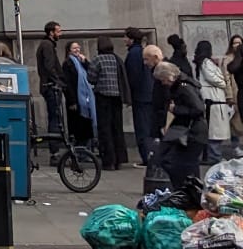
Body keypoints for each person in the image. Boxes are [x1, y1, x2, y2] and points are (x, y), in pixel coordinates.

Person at [153, 59, 207, 189]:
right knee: (180, 163)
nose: (163, 83)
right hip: (188, 131)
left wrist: (176, 109)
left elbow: (199, 109)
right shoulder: (180, 86)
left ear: (169, 77)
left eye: (163, 80)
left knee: (180, 164)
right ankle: (186, 190)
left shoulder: (184, 88)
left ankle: (187, 190)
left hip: (192, 132)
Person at [87, 36, 128, 169]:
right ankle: (119, 159)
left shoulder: (98, 59)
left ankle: (109, 160)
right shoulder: (117, 59)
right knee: (117, 128)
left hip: (103, 96)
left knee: (105, 128)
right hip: (117, 97)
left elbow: (91, 78)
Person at [122, 29, 159, 167]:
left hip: (140, 96)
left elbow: (133, 76)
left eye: (126, 37)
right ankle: (151, 156)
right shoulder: (143, 51)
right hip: (149, 94)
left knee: (142, 128)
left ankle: (147, 157)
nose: (124, 40)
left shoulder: (133, 54)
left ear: (131, 39)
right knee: (149, 126)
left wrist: (129, 95)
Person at [194, 39, 231, 164]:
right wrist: (223, 82)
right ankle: (214, 156)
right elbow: (214, 78)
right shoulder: (206, 63)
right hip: (213, 100)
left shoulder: (204, 63)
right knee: (214, 132)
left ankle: (213, 156)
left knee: (214, 131)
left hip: (213, 100)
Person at [34, 20, 66, 142]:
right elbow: (49, 66)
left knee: (54, 116)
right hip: (51, 86)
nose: (60, 34)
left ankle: (55, 146)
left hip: (49, 85)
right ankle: (55, 147)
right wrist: (58, 81)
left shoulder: (47, 45)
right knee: (55, 117)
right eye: (58, 31)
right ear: (51, 33)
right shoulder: (47, 45)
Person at [64, 40, 96, 146]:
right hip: (76, 99)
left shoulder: (81, 62)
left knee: (86, 125)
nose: (77, 50)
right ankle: (79, 148)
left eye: (78, 47)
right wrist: (72, 100)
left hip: (86, 99)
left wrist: (85, 61)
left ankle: (87, 146)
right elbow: (68, 83)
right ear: (69, 51)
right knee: (78, 126)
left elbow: (91, 71)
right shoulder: (67, 63)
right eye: (74, 48)